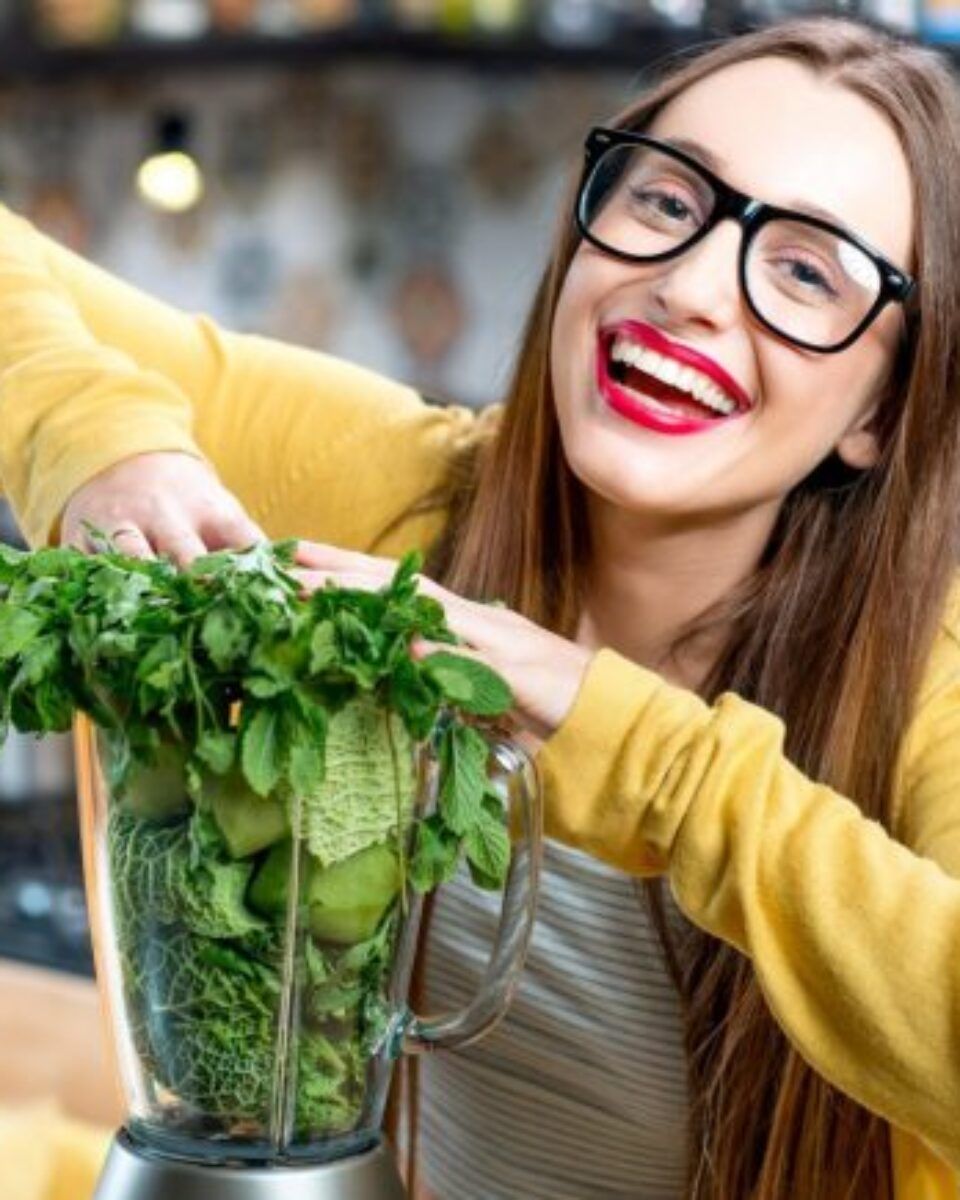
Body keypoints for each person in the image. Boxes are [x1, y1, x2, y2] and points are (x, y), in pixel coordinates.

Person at [1, 15, 959, 1198]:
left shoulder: (930, 685)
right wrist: (100, 443)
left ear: (880, 414)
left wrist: (635, 753)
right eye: (669, 201)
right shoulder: (410, 493)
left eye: (807, 272)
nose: (691, 287)